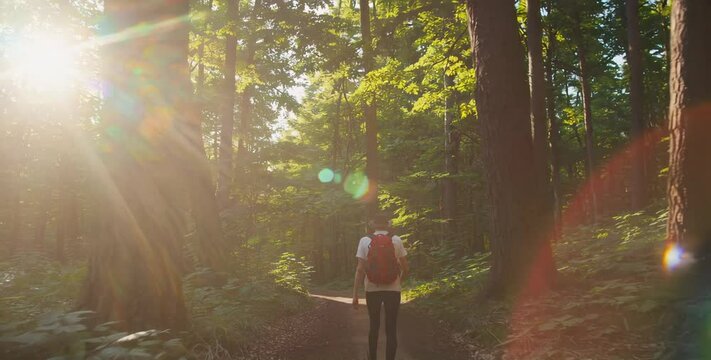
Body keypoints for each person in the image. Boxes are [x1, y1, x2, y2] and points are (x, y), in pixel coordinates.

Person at [352, 214, 409, 360]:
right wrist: (398, 281)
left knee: (374, 326)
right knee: (391, 329)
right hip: (393, 290)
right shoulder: (396, 240)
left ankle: (372, 358)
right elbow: (406, 268)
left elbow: (360, 269)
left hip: (372, 289)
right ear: (388, 224)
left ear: (373, 224)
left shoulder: (365, 241)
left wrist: (355, 295)